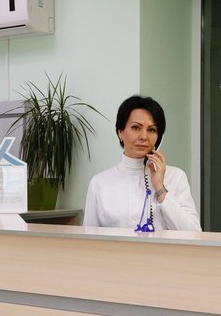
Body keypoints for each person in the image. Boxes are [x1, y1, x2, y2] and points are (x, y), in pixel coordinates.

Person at [83, 95, 201, 232]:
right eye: (135, 128)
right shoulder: (99, 183)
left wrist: (160, 188)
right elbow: (88, 238)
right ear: (120, 132)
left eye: (151, 130)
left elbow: (194, 233)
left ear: (158, 137)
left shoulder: (176, 177)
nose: (144, 137)